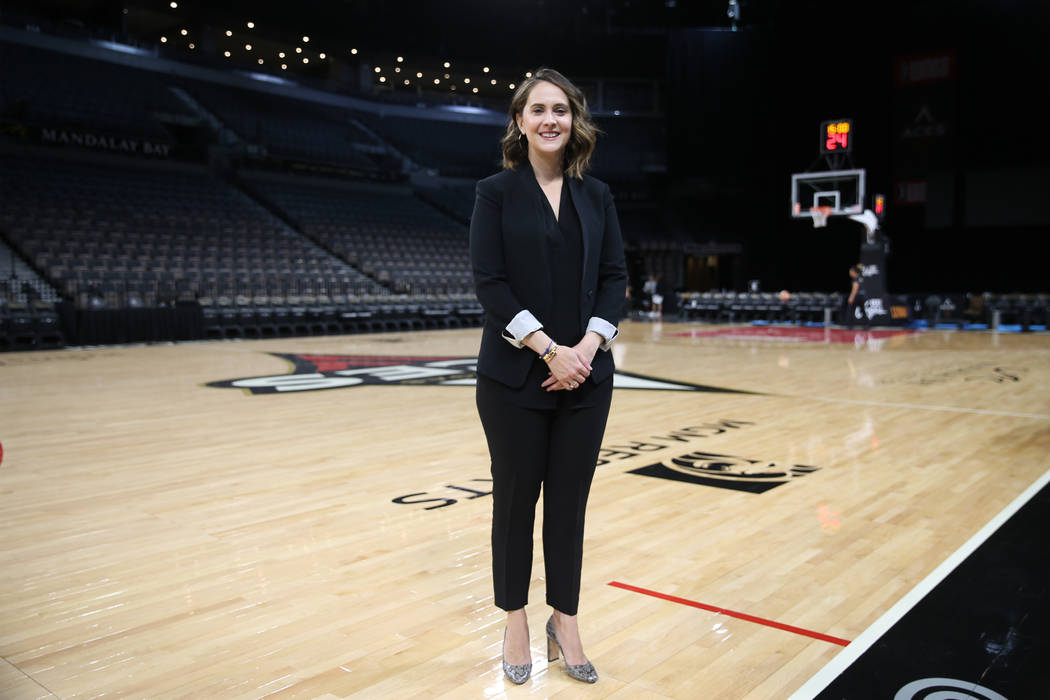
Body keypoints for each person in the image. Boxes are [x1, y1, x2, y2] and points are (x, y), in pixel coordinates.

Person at [469, 67, 628, 686]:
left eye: (560, 109)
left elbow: (614, 277)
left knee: (570, 504)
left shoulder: (598, 195)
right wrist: (547, 350)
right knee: (514, 503)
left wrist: (586, 348)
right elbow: (491, 283)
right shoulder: (495, 192)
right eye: (537, 110)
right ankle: (515, 620)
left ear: (574, 120)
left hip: (586, 379)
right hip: (514, 379)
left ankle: (565, 620)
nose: (550, 120)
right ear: (519, 121)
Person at [846, 263, 867, 328]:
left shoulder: (855, 279)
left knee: (850, 310)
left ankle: (850, 325)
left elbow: (855, 288)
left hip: (857, 296)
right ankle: (866, 325)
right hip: (862, 296)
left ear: (853, 271)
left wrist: (851, 297)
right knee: (862, 311)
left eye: (850, 271)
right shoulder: (861, 277)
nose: (849, 273)